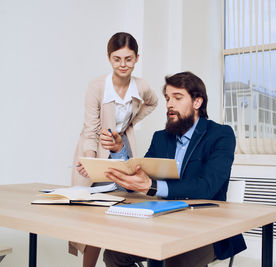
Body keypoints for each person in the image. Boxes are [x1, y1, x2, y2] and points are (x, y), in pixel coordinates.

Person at [99, 71, 246, 267]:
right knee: (113, 255)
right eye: (168, 98)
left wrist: (152, 186)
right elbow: (140, 177)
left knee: (176, 260)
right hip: (162, 221)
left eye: (177, 98)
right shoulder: (161, 137)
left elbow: (207, 186)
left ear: (197, 102)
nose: (169, 104)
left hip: (206, 228)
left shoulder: (221, 135)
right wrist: (119, 150)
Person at [70, 32, 158, 267]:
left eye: (128, 59)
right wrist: (90, 160)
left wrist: (130, 124)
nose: (123, 64)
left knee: (123, 205)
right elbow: (89, 128)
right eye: (117, 59)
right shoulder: (97, 86)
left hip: (122, 148)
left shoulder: (142, 86)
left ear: (137, 58)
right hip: (96, 149)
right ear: (109, 58)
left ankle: (121, 259)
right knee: (93, 216)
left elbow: (153, 102)